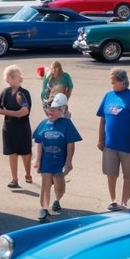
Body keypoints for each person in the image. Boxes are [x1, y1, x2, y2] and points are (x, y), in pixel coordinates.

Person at [96, 68, 130, 209]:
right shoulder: (108, 96)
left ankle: (124, 201)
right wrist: (100, 139)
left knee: (127, 175)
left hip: (128, 147)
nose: (112, 84)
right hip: (110, 145)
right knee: (111, 173)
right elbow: (103, 120)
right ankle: (113, 200)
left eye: (114, 81)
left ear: (122, 82)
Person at [32, 92, 82, 221]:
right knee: (45, 184)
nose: (50, 112)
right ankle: (43, 209)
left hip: (60, 161)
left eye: (54, 110)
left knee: (59, 185)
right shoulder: (43, 124)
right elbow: (38, 142)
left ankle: (57, 199)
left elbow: (71, 143)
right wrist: (37, 159)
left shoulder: (66, 124)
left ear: (62, 111)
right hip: (46, 161)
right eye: (49, 109)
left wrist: (69, 161)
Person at [0, 65, 33, 187]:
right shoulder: (5, 92)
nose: (8, 80)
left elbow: (24, 112)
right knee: (12, 153)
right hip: (8, 127)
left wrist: (7, 112)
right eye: (7, 78)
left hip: (22, 126)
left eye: (11, 77)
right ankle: (14, 179)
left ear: (16, 78)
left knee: (25, 152)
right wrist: (12, 113)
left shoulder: (23, 93)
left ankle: (28, 174)